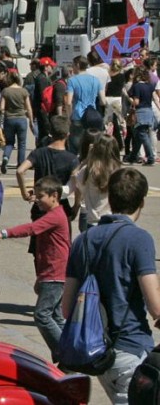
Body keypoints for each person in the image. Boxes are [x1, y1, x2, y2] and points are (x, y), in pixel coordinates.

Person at [62, 168, 160, 403]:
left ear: (110, 198)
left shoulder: (83, 240)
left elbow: (67, 308)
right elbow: (155, 306)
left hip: (95, 352)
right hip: (130, 348)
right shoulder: (139, 239)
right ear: (142, 201)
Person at [0, 175, 71, 364]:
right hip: (51, 273)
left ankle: (66, 353)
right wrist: (40, 276)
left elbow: (31, 229)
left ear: (54, 195)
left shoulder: (55, 216)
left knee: (42, 314)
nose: (36, 200)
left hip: (55, 273)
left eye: (40, 196)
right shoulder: (53, 214)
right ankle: (70, 351)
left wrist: (1, 234)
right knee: (56, 316)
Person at [0, 70, 35, 174]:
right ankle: (20, 164)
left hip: (9, 119)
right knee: (22, 143)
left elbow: (1, 108)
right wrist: (31, 121)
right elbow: (29, 108)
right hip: (21, 118)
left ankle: (6, 157)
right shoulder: (24, 91)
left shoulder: (5, 91)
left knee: (10, 142)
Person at [66, 55, 103, 154]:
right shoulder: (96, 80)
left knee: (75, 146)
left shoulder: (72, 80)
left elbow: (68, 102)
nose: (72, 68)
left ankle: (76, 166)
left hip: (78, 115)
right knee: (91, 145)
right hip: (92, 116)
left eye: (73, 65)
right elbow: (103, 101)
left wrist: (69, 116)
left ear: (77, 65)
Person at [128, 65, 157, 165]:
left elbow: (136, 102)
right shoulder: (150, 85)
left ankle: (150, 157)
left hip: (141, 112)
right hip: (149, 110)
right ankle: (132, 157)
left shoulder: (137, 86)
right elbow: (153, 98)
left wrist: (128, 99)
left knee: (143, 135)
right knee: (139, 137)